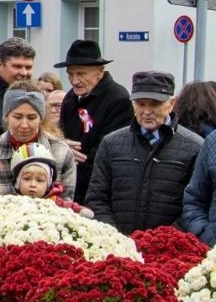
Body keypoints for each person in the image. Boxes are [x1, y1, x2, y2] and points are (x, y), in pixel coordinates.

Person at [83, 70, 201, 233]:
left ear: (172, 103)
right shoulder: (110, 143)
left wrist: (162, 239)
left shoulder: (194, 147)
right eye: (140, 104)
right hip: (118, 242)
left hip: (170, 245)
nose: (147, 111)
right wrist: (114, 237)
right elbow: (97, 198)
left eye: (154, 104)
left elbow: (194, 205)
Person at [55, 39, 133, 204]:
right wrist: (62, 148)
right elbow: (60, 135)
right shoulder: (70, 98)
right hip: (69, 186)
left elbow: (108, 150)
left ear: (100, 71)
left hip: (99, 192)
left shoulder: (118, 99)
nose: (74, 80)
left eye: (81, 74)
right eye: (70, 74)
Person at [0, 83, 78, 198]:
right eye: (17, 117)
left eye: (32, 117)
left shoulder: (61, 152)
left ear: (41, 118)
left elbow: (67, 200)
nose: (24, 125)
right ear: (6, 117)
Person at [11, 144, 93, 217]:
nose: (33, 184)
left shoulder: (55, 202)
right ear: (17, 182)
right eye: (27, 179)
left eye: (39, 180)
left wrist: (80, 210)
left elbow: (70, 207)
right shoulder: (12, 203)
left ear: (49, 184)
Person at [0, 37, 36, 116]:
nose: (24, 73)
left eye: (28, 68)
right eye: (17, 66)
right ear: (0, 63)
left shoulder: (34, 97)